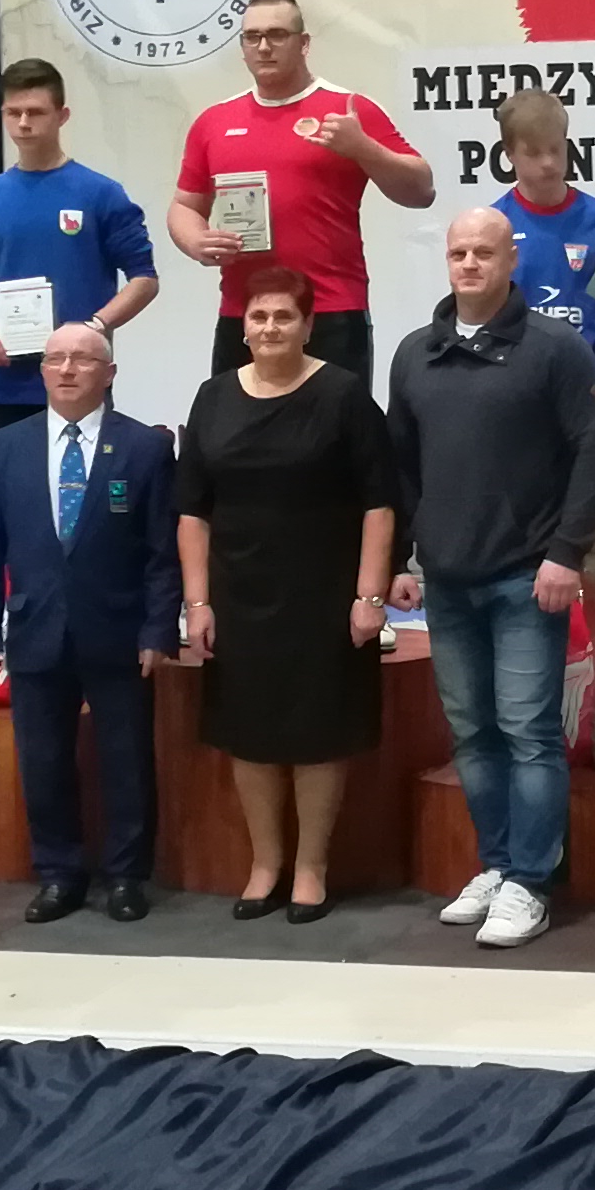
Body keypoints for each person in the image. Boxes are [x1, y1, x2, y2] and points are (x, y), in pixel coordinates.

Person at [386, 207, 595, 953]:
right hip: (447, 582)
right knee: (472, 732)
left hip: (529, 578)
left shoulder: (555, 350)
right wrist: (398, 559)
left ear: (510, 259)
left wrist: (566, 555)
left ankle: (531, 882)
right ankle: (495, 864)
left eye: (483, 252)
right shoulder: (415, 354)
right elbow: (401, 467)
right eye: (458, 252)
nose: (469, 264)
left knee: (528, 732)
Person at [178, 260, 398, 923]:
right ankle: (265, 864)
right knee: (249, 733)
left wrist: (370, 596)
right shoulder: (213, 397)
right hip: (238, 594)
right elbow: (192, 511)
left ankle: (311, 868)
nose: (270, 326)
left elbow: (380, 503)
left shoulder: (344, 395)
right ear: (242, 327)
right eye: (259, 316)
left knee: (317, 733)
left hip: (324, 595)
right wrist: (197, 602)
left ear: (308, 326)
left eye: (284, 316)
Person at [0, 321, 181, 925]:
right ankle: (59, 875)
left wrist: (158, 629)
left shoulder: (145, 448)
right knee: (44, 762)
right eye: (55, 358)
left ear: (109, 374)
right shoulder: (4, 449)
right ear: (41, 371)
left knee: (127, 762)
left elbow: (162, 552)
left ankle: (127, 876)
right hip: (34, 632)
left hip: (119, 633)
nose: (66, 369)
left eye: (82, 359)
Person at [489, 89, 595, 768]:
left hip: (593, 419)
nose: (548, 164)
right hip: (522, 427)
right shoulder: (496, 227)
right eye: (533, 153)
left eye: (557, 150)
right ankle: (531, 716)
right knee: (522, 572)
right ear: (510, 155)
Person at [166, 0, 434, 381]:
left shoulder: (347, 109)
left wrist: (363, 148)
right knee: (236, 421)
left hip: (331, 310)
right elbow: (185, 206)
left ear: (303, 43)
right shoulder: (214, 122)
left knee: (337, 422)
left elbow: (421, 191)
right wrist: (196, 241)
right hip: (246, 313)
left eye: (277, 35)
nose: (264, 47)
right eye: (252, 37)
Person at [0, 56, 159, 440]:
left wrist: (94, 327)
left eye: (35, 112)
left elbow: (144, 279)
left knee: (79, 479)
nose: (23, 123)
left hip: (78, 378)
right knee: (7, 479)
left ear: (62, 116)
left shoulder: (101, 193)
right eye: (13, 112)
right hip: (4, 382)